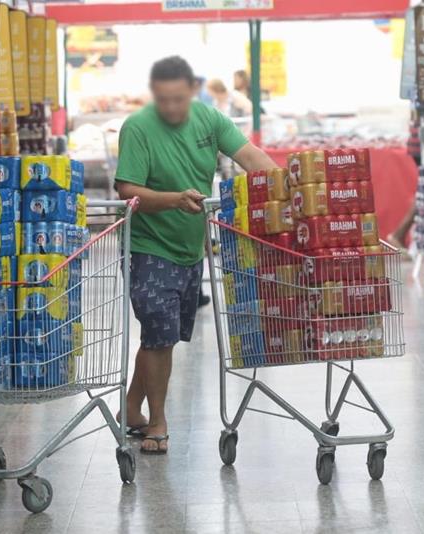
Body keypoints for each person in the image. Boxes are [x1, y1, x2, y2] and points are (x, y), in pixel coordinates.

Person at [114, 56, 277, 454]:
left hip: (190, 247)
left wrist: (288, 187)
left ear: (192, 92)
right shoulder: (138, 128)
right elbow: (128, 191)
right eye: (164, 100)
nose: (171, 107)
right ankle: (157, 421)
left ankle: (131, 408)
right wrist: (173, 199)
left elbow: (251, 158)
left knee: (162, 338)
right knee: (158, 333)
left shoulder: (209, 119)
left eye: (179, 99)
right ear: (154, 95)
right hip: (149, 246)